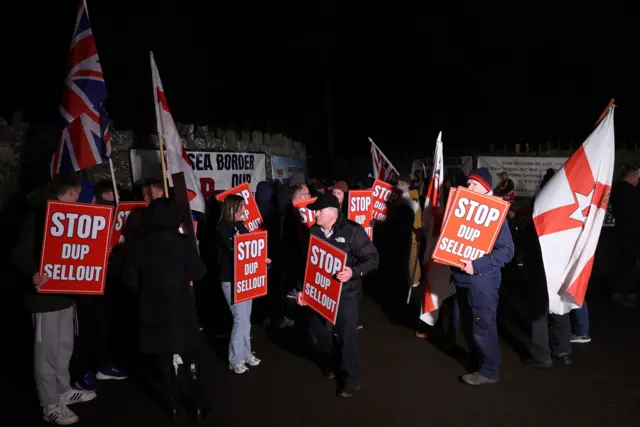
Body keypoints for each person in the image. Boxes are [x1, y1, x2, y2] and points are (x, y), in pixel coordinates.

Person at [11, 171, 96, 425]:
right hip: (44, 298)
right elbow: (17, 255)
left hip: (65, 297)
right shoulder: (38, 215)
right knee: (46, 352)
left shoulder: (68, 216)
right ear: (70, 191)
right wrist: (33, 274)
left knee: (63, 348)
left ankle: (63, 390)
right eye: (78, 193)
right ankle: (50, 404)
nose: (79, 197)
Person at [122, 198, 207, 421]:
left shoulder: (135, 245)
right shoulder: (184, 242)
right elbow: (198, 273)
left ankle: (173, 408)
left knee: (164, 361)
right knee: (190, 358)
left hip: (152, 310)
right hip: (182, 309)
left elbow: (130, 284)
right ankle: (197, 408)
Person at [297, 193, 379, 397]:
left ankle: (352, 379)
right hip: (319, 294)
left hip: (346, 296)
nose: (315, 214)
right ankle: (332, 363)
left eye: (319, 210)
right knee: (320, 334)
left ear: (333, 213)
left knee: (347, 338)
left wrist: (354, 272)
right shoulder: (313, 231)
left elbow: (372, 259)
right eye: (314, 210)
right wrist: (302, 289)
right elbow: (305, 264)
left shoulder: (353, 231)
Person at [453, 168, 514, 385]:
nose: (468, 188)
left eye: (474, 185)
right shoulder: (462, 209)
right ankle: (479, 359)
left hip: (482, 282)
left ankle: (489, 370)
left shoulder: (494, 213)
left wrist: (477, 265)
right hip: (462, 280)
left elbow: (507, 250)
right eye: (468, 184)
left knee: (482, 327)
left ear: (486, 188)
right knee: (469, 326)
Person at [73, 180, 127, 392]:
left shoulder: (114, 212)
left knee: (103, 326)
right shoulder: (84, 216)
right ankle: (81, 371)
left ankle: (103, 365)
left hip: (106, 279)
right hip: (86, 282)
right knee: (86, 329)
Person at [216, 195, 270, 374]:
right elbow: (234, 249)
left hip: (245, 279)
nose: (245, 211)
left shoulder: (240, 226)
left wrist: (262, 260)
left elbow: (250, 249)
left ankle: (245, 353)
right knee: (239, 319)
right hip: (231, 280)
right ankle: (235, 359)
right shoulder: (222, 228)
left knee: (246, 319)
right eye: (241, 208)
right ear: (231, 209)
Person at [609, 165, 640, 307]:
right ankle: (625, 294)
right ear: (631, 176)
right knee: (630, 264)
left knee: (624, 263)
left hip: (622, 232)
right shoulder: (630, 193)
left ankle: (621, 292)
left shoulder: (618, 191)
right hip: (631, 234)